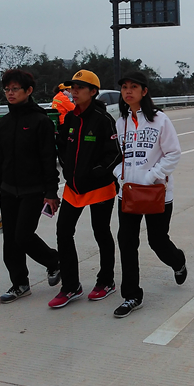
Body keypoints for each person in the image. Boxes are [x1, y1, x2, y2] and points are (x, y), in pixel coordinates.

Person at [112, 72, 186, 319]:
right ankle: (131, 295)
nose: (128, 91)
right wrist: (120, 174)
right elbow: (119, 155)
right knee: (126, 242)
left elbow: (173, 153)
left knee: (157, 241)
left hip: (156, 192)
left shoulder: (160, 120)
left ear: (144, 92)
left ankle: (177, 261)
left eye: (133, 87)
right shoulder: (121, 122)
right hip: (129, 193)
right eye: (124, 87)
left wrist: (152, 175)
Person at [0, 69, 60, 304]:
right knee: (10, 241)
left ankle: (54, 261)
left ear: (28, 91)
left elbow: (48, 160)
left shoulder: (41, 121)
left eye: (15, 89)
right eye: (7, 89)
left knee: (23, 236)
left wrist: (51, 192)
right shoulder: (3, 124)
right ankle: (20, 284)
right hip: (8, 190)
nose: (10, 93)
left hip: (33, 190)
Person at [48, 69, 121, 309]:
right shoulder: (70, 118)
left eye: (79, 87)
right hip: (73, 188)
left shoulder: (103, 120)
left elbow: (114, 155)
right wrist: (69, 171)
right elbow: (62, 148)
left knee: (101, 233)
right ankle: (71, 286)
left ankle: (106, 281)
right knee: (63, 232)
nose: (74, 91)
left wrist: (95, 173)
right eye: (72, 87)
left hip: (100, 188)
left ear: (93, 91)